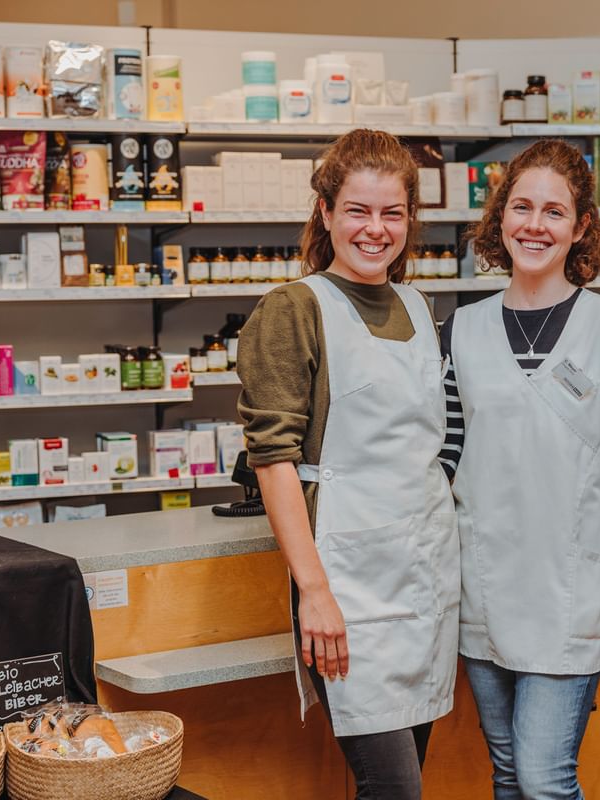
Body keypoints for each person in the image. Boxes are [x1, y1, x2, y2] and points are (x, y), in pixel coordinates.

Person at [236, 129, 458, 800]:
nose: (375, 229)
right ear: (327, 211)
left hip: (424, 580)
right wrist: (315, 592)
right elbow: (273, 461)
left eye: (393, 213)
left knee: (402, 783)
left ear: (410, 219)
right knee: (394, 787)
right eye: (358, 210)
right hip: (348, 587)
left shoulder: (418, 306)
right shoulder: (294, 309)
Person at [439, 139, 600, 798]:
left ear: (580, 227)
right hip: (483, 586)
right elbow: (445, 459)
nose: (535, 225)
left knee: (543, 778)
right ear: (501, 217)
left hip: (571, 590)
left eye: (554, 212)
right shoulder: (460, 329)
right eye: (522, 207)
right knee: (509, 776)